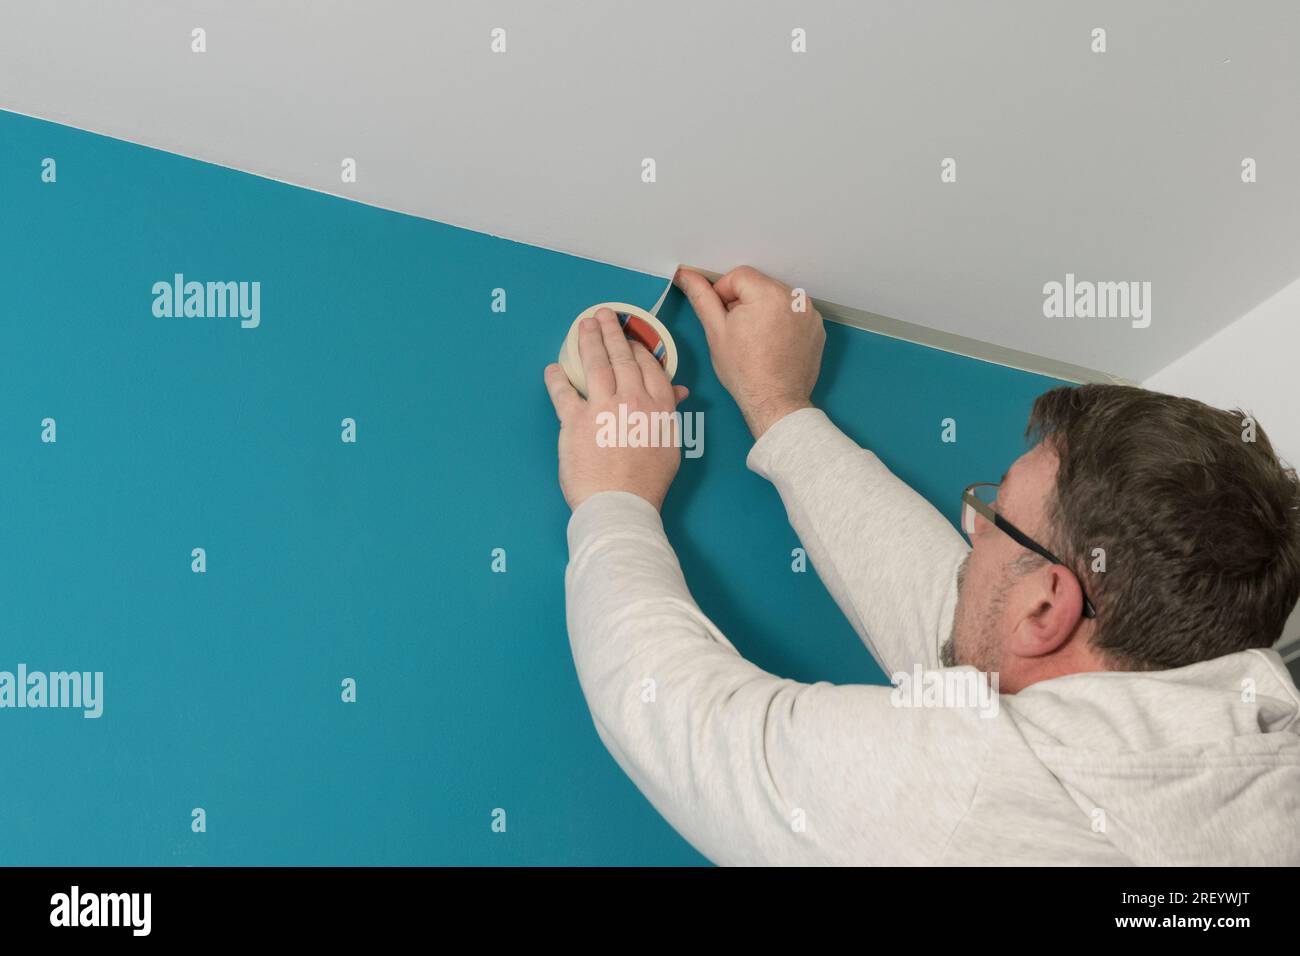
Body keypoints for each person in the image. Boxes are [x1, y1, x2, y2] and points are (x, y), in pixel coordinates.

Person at [541, 265, 1300, 865]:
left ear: (1048, 608)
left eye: (997, 514)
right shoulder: (1250, 772)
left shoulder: (993, 787)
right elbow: (963, 625)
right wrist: (779, 406)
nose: (971, 527)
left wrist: (614, 498)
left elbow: (694, 731)